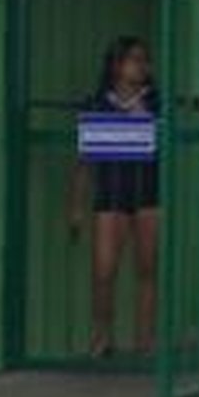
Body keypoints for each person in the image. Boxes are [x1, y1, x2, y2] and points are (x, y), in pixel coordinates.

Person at [69, 33, 161, 360]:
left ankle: (145, 342)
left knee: (148, 269)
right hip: (110, 195)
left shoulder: (154, 101)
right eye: (134, 59)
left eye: (144, 60)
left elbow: (165, 141)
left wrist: (142, 113)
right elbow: (83, 159)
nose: (141, 66)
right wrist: (76, 207)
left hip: (147, 193)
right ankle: (101, 336)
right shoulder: (97, 103)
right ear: (117, 65)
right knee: (104, 272)